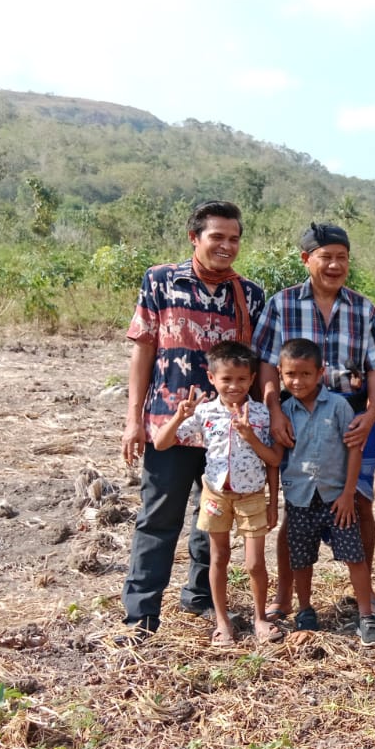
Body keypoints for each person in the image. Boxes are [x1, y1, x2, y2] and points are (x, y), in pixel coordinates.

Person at [120, 200, 266, 641]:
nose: (226, 246)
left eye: (234, 238)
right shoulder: (161, 280)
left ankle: (201, 598)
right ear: (194, 238)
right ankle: (141, 616)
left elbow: (255, 369)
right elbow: (143, 349)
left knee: (212, 526)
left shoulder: (249, 294)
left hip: (224, 432)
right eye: (217, 237)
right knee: (158, 519)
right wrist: (132, 420)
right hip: (170, 423)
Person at [253, 223, 375, 620]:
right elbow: (265, 364)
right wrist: (275, 410)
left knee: (360, 505)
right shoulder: (282, 304)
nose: (335, 265)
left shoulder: (363, 308)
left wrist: (370, 414)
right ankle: (285, 597)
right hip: (295, 416)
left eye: (342, 257)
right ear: (306, 259)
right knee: (296, 508)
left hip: (351, 415)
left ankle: (362, 597)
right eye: (326, 257)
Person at [153, 341, 281, 646]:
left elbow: (274, 460)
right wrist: (180, 416)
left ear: (252, 379)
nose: (234, 386)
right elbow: (160, 443)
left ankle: (260, 617)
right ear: (212, 379)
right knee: (218, 557)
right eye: (226, 379)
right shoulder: (205, 412)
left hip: (251, 495)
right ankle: (223, 622)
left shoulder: (261, 416)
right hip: (216, 496)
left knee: (255, 563)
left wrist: (250, 437)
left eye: (241, 379)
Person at [277, 338, 375, 647]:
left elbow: (354, 449)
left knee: (354, 556)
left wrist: (348, 493)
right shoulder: (284, 412)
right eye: (290, 375)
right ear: (280, 374)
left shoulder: (339, 406)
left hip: (337, 499)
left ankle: (365, 615)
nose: (297, 381)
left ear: (320, 373)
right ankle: (304, 610)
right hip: (299, 499)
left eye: (305, 374)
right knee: (301, 558)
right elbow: (278, 457)